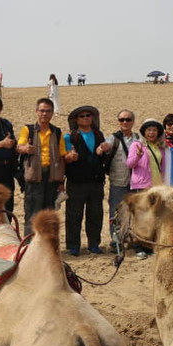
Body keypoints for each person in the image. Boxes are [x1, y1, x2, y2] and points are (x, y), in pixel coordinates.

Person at [17, 98, 68, 235]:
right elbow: (19, 147)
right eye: (42, 110)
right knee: (32, 213)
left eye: (48, 111)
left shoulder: (57, 132)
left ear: (52, 113)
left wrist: (61, 182)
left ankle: (47, 245)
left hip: (51, 178)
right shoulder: (28, 130)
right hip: (33, 178)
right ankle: (29, 245)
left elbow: (62, 157)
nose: (45, 114)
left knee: (48, 214)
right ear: (36, 112)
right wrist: (25, 148)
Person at [64, 106, 110, 256]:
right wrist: (70, 157)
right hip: (76, 183)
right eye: (82, 116)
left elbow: (103, 158)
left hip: (96, 182)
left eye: (88, 115)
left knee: (95, 214)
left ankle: (94, 244)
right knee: (74, 215)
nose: (85, 118)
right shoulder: (69, 137)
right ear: (76, 120)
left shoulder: (99, 134)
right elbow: (64, 158)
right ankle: (73, 246)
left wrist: (103, 151)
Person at [126, 119, 166, 259]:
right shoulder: (137, 145)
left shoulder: (160, 147)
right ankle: (138, 247)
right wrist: (137, 156)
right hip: (141, 186)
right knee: (140, 218)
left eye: (154, 130)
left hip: (156, 187)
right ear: (144, 132)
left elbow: (163, 168)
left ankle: (149, 246)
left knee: (153, 218)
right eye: (149, 130)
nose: (151, 133)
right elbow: (129, 164)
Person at [104, 110, 141, 251]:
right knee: (116, 211)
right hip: (118, 181)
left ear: (133, 121)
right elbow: (104, 146)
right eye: (122, 119)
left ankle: (131, 238)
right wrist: (102, 148)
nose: (125, 122)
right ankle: (116, 241)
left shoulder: (138, 138)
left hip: (136, 182)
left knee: (134, 212)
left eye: (128, 119)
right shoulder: (113, 138)